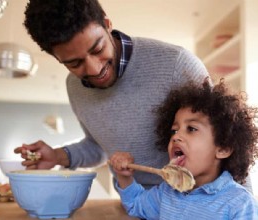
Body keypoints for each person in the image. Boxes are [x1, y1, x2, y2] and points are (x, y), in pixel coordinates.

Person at [14, 0, 210, 189]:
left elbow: (226, 140)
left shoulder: (177, 65)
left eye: (97, 49)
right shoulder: (74, 87)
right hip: (134, 206)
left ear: (107, 24)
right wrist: (57, 156)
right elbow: (98, 147)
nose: (94, 69)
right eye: (75, 63)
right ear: (57, 58)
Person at [109, 79, 258, 219]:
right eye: (174, 130)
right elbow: (136, 204)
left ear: (223, 148)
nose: (176, 136)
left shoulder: (240, 204)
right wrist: (124, 176)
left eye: (191, 129)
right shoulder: (167, 192)